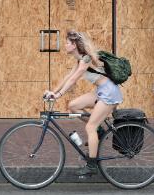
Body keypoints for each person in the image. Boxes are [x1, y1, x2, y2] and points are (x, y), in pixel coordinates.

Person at [43, 30, 123, 176]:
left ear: (74, 45)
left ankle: (92, 165)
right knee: (73, 106)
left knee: (90, 127)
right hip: (101, 91)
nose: (65, 45)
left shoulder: (86, 59)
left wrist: (59, 95)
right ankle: (99, 131)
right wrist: (53, 92)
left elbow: (74, 80)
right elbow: (68, 77)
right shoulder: (79, 60)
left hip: (109, 93)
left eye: (67, 43)